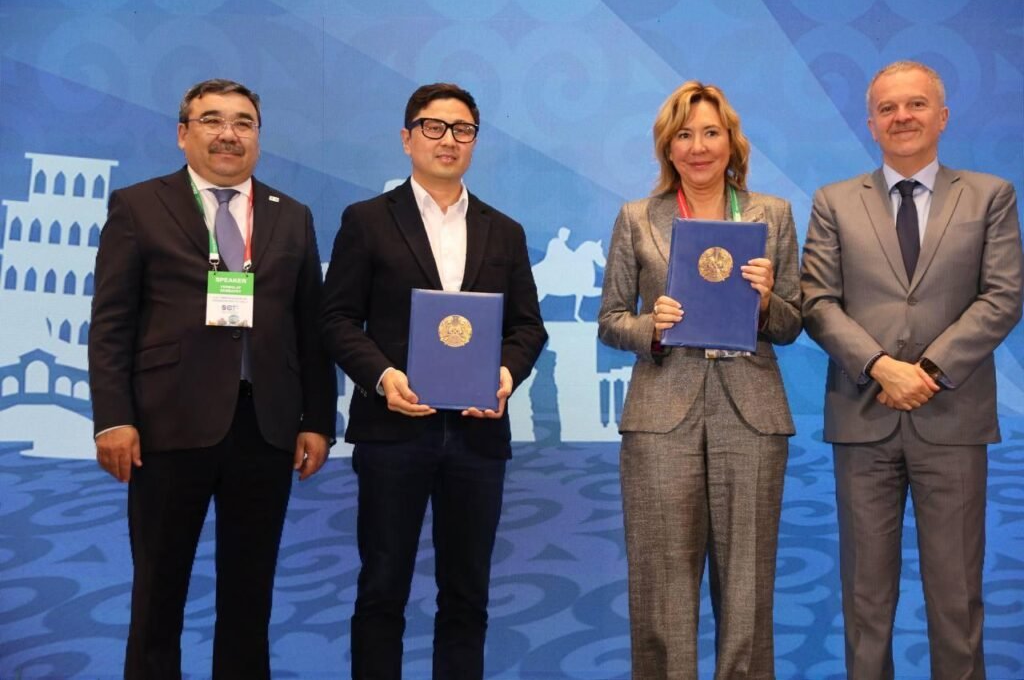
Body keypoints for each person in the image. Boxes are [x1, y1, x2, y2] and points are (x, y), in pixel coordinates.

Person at [88, 78, 337, 679]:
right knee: (158, 591)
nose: (229, 134)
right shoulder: (138, 205)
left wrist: (318, 420)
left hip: (266, 427)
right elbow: (112, 322)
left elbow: (311, 327)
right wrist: (113, 418)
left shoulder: (292, 215)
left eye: (243, 122)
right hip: (166, 427)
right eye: (212, 120)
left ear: (258, 137)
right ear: (183, 134)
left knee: (251, 596)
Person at [801, 60, 1023, 679]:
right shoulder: (833, 202)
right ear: (871, 123)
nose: (902, 116)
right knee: (865, 602)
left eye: (916, 104)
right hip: (862, 419)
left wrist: (925, 371)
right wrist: (881, 367)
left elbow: (1003, 296)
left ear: (942, 116)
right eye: (888, 108)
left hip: (952, 417)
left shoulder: (990, 195)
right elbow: (817, 301)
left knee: (956, 598)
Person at [319, 82, 547, 679]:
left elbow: (528, 327)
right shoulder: (367, 221)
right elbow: (336, 318)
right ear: (407, 138)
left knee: (468, 595)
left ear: (475, 141)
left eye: (462, 129)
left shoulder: (504, 230)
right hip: (393, 432)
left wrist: (504, 374)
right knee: (382, 588)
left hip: (477, 436)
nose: (449, 139)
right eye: (433, 126)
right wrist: (382, 376)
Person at [597, 81, 801, 678]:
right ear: (668, 147)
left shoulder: (773, 215)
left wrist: (764, 304)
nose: (698, 146)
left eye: (711, 133)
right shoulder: (637, 218)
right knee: (661, 580)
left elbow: (793, 321)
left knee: (748, 586)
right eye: (684, 135)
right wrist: (652, 328)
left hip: (752, 413)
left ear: (731, 142)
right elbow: (611, 320)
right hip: (662, 414)